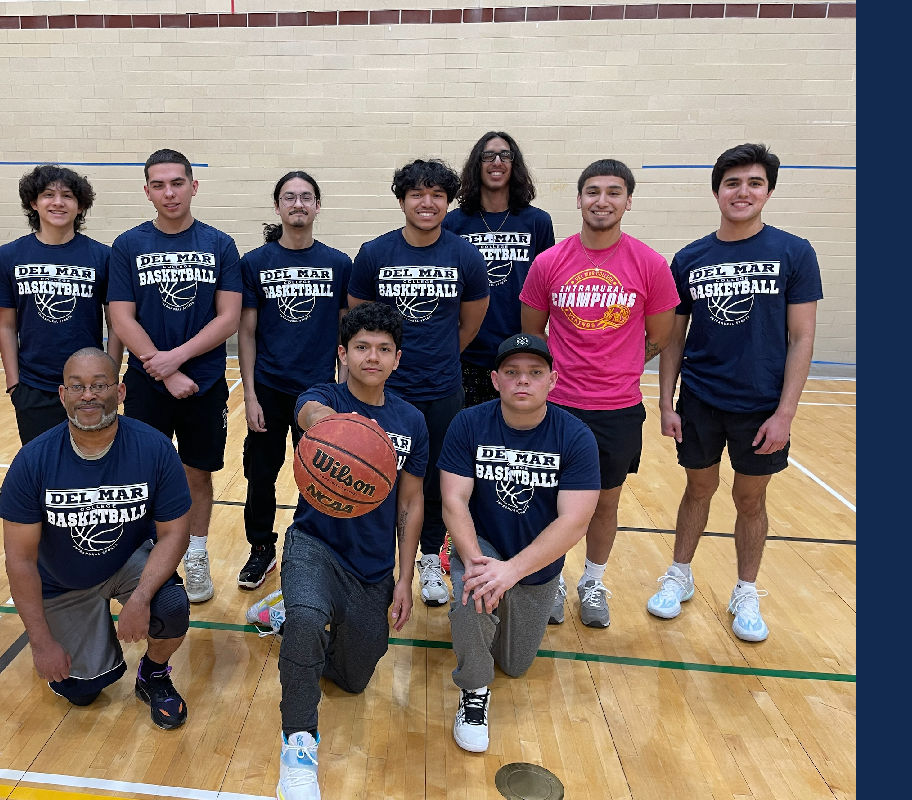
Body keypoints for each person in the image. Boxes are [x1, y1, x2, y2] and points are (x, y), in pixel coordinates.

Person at [249, 302, 428, 800]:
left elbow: (411, 505)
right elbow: (307, 413)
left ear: (397, 358)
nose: (373, 357)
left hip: (371, 565)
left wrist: (405, 578)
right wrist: (335, 426)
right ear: (343, 354)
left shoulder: (411, 420)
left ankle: (292, 611)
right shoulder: (320, 396)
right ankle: (298, 745)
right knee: (308, 625)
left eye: (384, 349)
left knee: (352, 678)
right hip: (314, 545)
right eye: (362, 348)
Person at [649, 143, 822, 642]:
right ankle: (679, 574)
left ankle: (746, 588)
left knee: (750, 498)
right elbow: (673, 337)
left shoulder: (794, 252)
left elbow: (802, 337)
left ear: (768, 191)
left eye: (754, 183)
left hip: (761, 406)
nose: (742, 192)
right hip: (700, 399)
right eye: (732, 183)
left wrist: (785, 413)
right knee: (697, 489)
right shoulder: (690, 257)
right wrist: (666, 402)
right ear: (717, 191)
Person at [520, 159, 679, 629]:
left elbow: (660, 336)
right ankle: (550, 579)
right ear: (578, 199)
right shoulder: (550, 262)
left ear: (628, 201)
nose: (602, 201)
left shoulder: (649, 264)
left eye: (613, 192)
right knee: (547, 502)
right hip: (557, 407)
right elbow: (532, 335)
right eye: (593, 191)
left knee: (605, 502)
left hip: (617, 409)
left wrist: (617, 364)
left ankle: (593, 580)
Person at [0, 348, 194, 726]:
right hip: (60, 581)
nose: (88, 395)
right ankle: (83, 632)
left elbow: (175, 534)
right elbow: (19, 561)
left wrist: (140, 599)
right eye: (78, 387)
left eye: (99, 385)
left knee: (170, 606)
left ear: (120, 393)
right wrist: (41, 644)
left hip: (125, 561)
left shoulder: (153, 448)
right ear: (63, 395)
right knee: (83, 692)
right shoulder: (33, 460)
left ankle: (153, 674)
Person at [439, 333, 599, 752]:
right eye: (511, 373)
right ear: (495, 380)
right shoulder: (469, 423)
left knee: (514, 665)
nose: (522, 381)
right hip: (484, 545)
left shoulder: (576, 436)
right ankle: (474, 691)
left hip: (535, 566)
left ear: (553, 380)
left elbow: (576, 521)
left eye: (534, 373)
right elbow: (453, 500)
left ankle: (502, 609)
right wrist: (476, 563)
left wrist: (511, 572)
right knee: (474, 593)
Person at [348, 158, 490, 608]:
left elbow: (469, 325)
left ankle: (430, 557)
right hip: (383, 392)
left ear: (448, 202)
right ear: (402, 200)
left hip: (441, 390)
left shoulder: (464, 255)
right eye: (417, 194)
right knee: (370, 475)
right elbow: (359, 323)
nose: (427, 203)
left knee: (431, 481)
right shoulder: (374, 253)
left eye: (437, 196)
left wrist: (439, 353)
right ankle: (368, 561)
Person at [108, 148, 242, 604]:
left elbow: (228, 318)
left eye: (177, 183)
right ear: (147, 191)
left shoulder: (220, 244)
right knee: (143, 472)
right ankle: (147, 555)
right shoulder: (128, 245)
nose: (169, 192)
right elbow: (121, 317)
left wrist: (177, 359)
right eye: (159, 185)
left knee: (196, 474)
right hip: (148, 382)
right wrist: (162, 371)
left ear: (193, 186)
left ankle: (197, 553)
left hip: (203, 381)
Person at [237, 171, 352, 591]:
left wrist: (341, 391)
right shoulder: (255, 262)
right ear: (278, 206)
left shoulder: (339, 263)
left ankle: (315, 549)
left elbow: (345, 334)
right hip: (268, 387)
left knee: (320, 475)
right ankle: (261, 549)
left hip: (318, 392)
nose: (298, 204)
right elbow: (245, 333)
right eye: (290, 197)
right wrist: (249, 395)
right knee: (261, 475)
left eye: (306, 197)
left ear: (317, 206)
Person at [0, 164, 121, 445]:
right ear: (33, 203)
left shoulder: (103, 256)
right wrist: (14, 384)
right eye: (48, 195)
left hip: (89, 387)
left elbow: (116, 325)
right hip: (34, 387)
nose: (58, 202)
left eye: (68, 196)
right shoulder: (8, 255)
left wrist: (109, 380)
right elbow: (6, 326)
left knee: (94, 462)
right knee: (44, 468)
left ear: (80, 206)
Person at [444, 131, 556, 408]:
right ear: (476, 164)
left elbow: (545, 288)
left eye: (505, 155)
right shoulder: (453, 223)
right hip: (467, 351)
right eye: (488, 156)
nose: (497, 161)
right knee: (468, 438)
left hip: (520, 350)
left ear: (514, 164)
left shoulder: (537, 222)